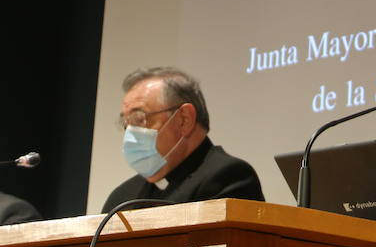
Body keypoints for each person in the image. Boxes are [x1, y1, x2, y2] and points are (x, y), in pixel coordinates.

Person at [102, 67, 264, 213]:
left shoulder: (227, 177)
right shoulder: (122, 198)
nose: (130, 132)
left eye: (139, 118)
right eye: (126, 122)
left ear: (184, 120)